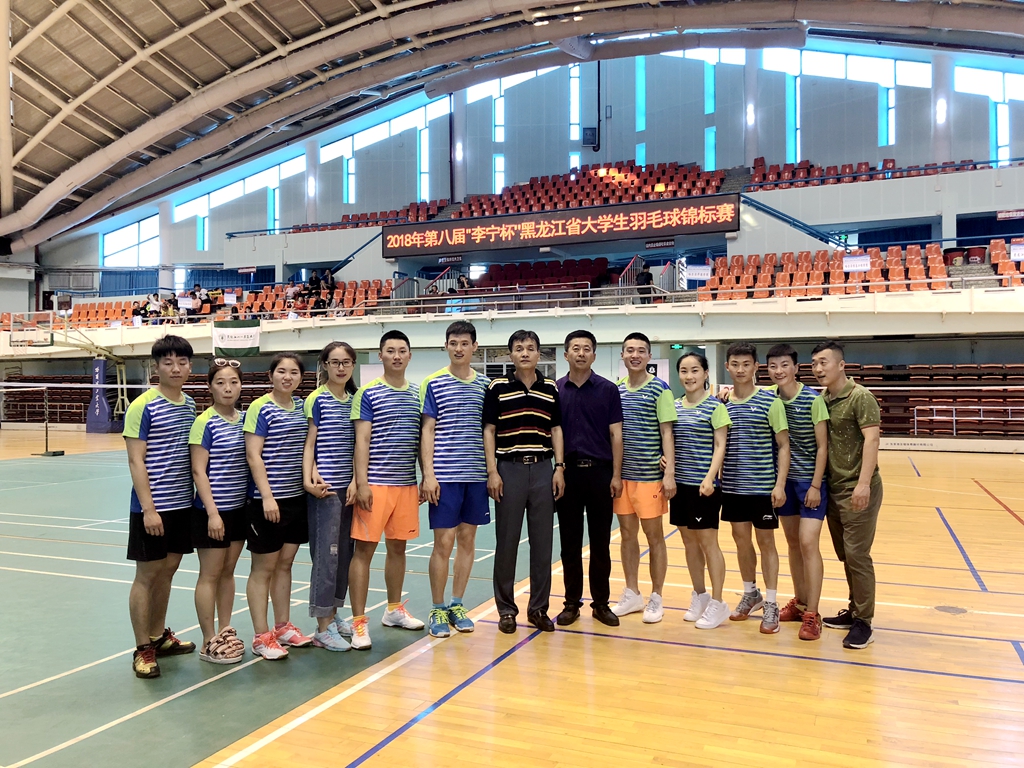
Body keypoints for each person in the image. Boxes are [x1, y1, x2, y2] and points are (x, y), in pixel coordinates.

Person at [123, 335, 198, 679]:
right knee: (146, 576)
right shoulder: (143, 406)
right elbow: (136, 461)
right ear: (156, 367)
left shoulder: (189, 404)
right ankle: (143, 648)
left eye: (181, 362)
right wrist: (149, 509)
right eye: (168, 362)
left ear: (190, 366)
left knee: (168, 571)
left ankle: (158, 635)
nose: (175, 368)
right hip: (152, 506)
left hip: (183, 505)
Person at [484, 329, 565, 634]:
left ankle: (538, 609)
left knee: (543, 545)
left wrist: (559, 468)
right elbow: (489, 431)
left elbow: (556, 429)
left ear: (539, 354)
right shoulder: (497, 387)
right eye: (519, 348)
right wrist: (492, 471)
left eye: (530, 348)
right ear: (511, 355)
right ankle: (506, 610)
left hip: (543, 469)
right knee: (506, 544)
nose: (525, 353)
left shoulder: (550, 388)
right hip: (509, 470)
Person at [348, 331, 425, 650]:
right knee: (363, 552)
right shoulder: (367, 393)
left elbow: (422, 440)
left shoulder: (418, 393)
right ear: (380, 355)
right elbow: (362, 440)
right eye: (390, 351)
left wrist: (425, 477)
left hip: (406, 485)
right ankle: (358, 622)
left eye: (402, 351)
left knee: (398, 549)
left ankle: (393, 610)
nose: (396, 356)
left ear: (409, 356)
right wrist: (362, 482)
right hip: (375, 485)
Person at [420, 321, 490, 638]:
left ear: (474, 346)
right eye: (453, 343)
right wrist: (429, 474)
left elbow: (489, 431)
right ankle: (437, 607)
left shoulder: (485, 385)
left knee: (467, 541)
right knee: (443, 543)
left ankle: (457, 604)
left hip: (475, 476)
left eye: (464, 343)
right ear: (446, 346)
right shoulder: (433, 383)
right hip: (445, 477)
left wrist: (491, 472)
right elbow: (428, 430)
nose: (458, 348)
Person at [812, 340, 883, 650]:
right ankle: (854, 610)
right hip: (834, 489)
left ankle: (864, 622)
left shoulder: (860, 397)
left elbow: (872, 440)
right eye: (814, 363)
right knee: (846, 555)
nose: (818, 368)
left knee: (857, 555)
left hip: (858, 488)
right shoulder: (823, 399)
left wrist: (863, 484)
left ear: (841, 365)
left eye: (824, 362)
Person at [244, 352, 312, 660]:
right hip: (266, 502)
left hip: (296, 499)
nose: (288, 377)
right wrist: (268, 496)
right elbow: (253, 455)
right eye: (282, 371)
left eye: (294, 372)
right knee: (263, 569)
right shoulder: (260, 407)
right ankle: (261, 636)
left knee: (285, 565)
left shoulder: (301, 407)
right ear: (271, 375)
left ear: (300, 377)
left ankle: (283, 627)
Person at [720, 342, 790, 634]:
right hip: (732, 487)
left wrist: (780, 484)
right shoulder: (722, 404)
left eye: (746, 364)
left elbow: (784, 445)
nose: (740, 369)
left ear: (755, 367)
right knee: (740, 541)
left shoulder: (771, 402)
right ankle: (751, 593)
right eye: (735, 364)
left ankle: (771, 602)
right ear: (727, 367)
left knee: (766, 544)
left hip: (762, 488)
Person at [554, 330, 623, 627]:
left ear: (594, 355)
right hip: (567, 474)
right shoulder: (555, 390)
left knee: (600, 543)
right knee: (569, 543)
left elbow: (616, 435)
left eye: (586, 349)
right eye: (575, 348)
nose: (581, 353)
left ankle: (601, 604)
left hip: (600, 474)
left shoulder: (608, 389)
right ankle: (571, 603)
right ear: (566, 354)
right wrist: (557, 469)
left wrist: (616, 475)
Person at [767, 344, 830, 641]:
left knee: (808, 543)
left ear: (795, 368)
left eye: (784, 365)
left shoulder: (812, 399)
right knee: (793, 543)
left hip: (810, 484)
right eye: (773, 366)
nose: (778, 371)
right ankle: (800, 601)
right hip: (784, 482)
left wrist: (816, 485)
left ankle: (812, 614)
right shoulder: (769, 397)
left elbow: (823, 446)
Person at [613, 333, 676, 623]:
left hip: (650, 477)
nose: (635, 355)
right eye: (630, 350)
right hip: (623, 477)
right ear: (623, 355)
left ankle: (657, 597)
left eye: (641, 350)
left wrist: (669, 472)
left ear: (649, 356)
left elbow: (667, 432)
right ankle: (632, 593)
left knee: (654, 537)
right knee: (627, 535)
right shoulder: (616, 390)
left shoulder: (660, 389)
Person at [189, 358, 248, 665]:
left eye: (233, 382)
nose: (228, 388)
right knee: (209, 575)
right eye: (221, 382)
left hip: (239, 510)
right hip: (211, 511)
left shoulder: (245, 419)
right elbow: (198, 471)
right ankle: (208, 639)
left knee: (228, 572)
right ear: (210, 387)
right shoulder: (205, 422)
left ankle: (225, 632)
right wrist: (213, 513)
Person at [303, 342, 359, 652]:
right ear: (325, 364)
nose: (340, 367)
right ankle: (322, 628)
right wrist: (310, 477)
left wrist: (355, 481)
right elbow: (309, 443)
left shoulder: (354, 399)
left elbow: (358, 445)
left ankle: (334, 614)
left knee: (344, 556)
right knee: (326, 557)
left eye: (346, 362)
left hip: (348, 491)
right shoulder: (317, 399)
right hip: (324, 491)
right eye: (335, 362)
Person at [671, 351, 732, 630]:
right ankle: (700, 595)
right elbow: (669, 439)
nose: (689, 376)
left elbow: (720, 445)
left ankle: (719, 602)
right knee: (689, 543)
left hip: (704, 487)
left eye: (695, 370)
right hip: (679, 486)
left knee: (708, 543)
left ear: (706, 373)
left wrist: (709, 478)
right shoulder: (674, 406)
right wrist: (664, 460)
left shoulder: (715, 407)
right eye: (684, 371)